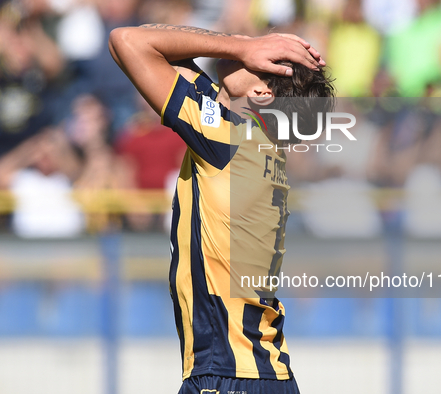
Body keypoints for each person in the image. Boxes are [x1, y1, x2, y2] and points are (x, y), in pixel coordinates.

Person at [109, 24, 333, 393]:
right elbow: (155, 50)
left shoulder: (230, 139)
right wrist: (243, 47)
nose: (247, 46)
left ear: (261, 91)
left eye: (260, 54)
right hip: (259, 373)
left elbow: (127, 40)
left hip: (229, 374)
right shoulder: (251, 139)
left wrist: (234, 47)